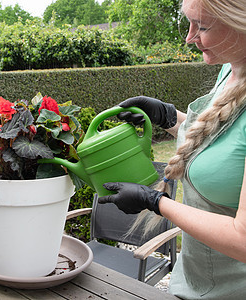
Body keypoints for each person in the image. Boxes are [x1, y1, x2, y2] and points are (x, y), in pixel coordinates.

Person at [97, 0, 246, 298]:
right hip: (194, 285)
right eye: (188, 23)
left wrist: (155, 202)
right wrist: (167, 117)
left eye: (202, 26)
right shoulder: (232, 68)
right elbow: (221, 149)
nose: (190, 37)